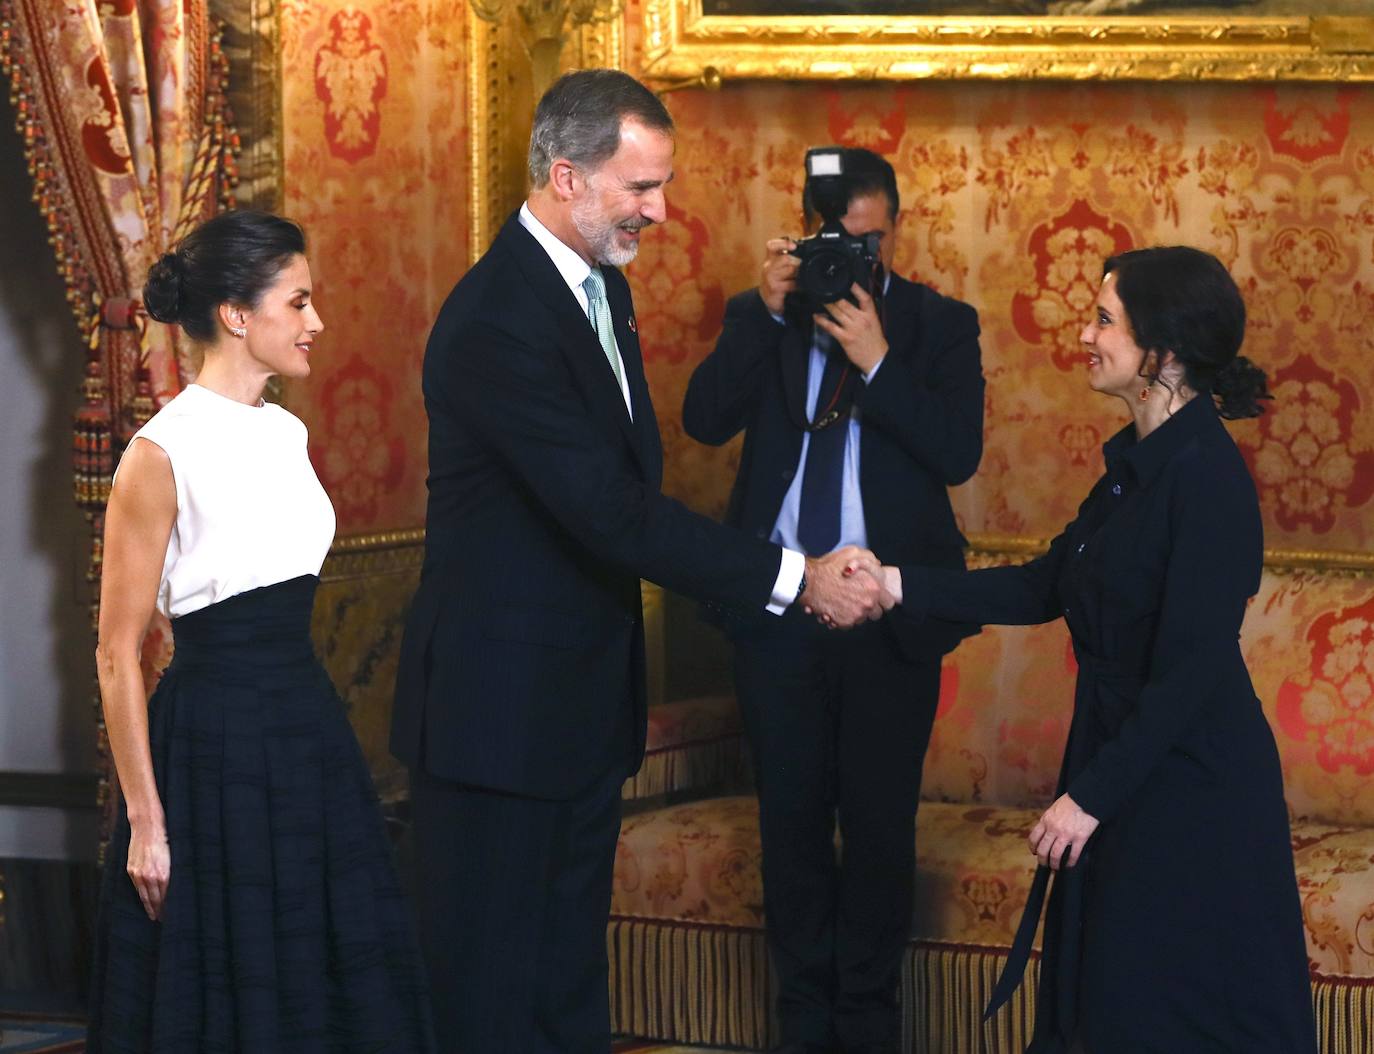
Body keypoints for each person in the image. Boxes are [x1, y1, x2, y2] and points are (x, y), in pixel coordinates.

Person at [390, 68, 889, 1054]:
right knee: (490, 1002)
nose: (662, 211)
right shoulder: (497, 317)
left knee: (569, 995)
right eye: (642, 188)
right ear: (566, 176)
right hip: (497, 719)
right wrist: (795, 577)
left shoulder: (599, 289)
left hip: (576, 712)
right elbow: (611, 511)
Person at [857, 246, 1316, 1053]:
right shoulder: (1135, 470)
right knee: (1102, 1007)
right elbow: (1044, 586)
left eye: (1104, 320)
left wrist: (1090, 798)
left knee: (1164, 1013)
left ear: (1163, 353)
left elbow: (1190, 672)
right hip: (1125, 764)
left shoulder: (1207, 477)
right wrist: (896, 583)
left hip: (1191, 791)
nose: (1084, 334)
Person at [87, 211, 434, 1054]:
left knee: (330, 967)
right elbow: (114, 653)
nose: (316, 323)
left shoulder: (288, 432)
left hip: (306, 729)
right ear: (239, 315)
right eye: (299, 301)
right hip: (214, 741)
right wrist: (145, 821)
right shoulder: (160, 451)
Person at [681, 147, 984, 1054]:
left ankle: (869, 1026)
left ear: (891, 228)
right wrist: (764, 314)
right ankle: (802, 1024)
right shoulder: (766, 315)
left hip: (889, 616)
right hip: (777, 611)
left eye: (870, 243)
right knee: (792, 823)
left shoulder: (938, 324)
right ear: (808, 233)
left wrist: (880, 360)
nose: (855, 261)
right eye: (836, 243)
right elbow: (703, 420)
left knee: (880, 824)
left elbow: (956, 454)